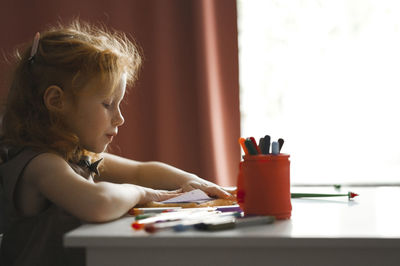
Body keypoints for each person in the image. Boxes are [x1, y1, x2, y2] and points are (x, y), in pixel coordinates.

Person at [0, 20, 235, 266]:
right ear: (57, 101)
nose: (120, 118)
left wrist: (191, 181)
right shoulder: (40, 165)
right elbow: (98, 203)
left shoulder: (74, 157)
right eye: (107, 104)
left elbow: (141, 170)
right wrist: (140, 193)